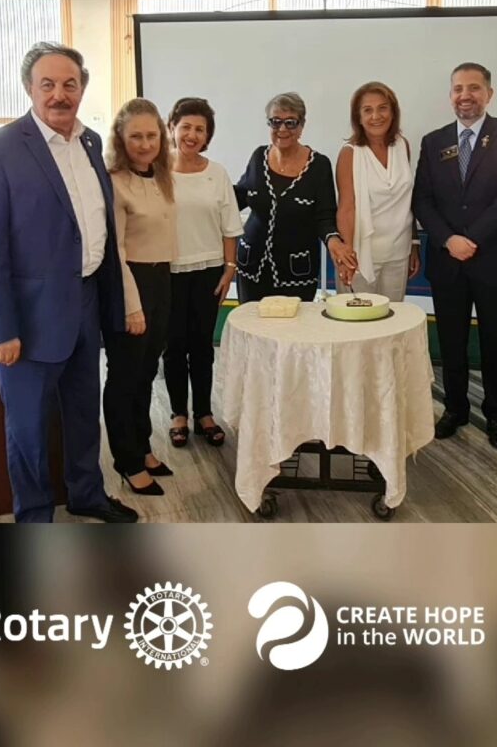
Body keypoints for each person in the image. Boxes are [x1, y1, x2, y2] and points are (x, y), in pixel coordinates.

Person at [0, 42, 137, 523]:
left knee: (83, 413)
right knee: (29, 431)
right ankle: (35, 518)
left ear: (82, 88)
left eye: (70, 84)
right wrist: (1, 329)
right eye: (48, 84)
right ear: (29, 88)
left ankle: (87, 494)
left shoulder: (91, 142)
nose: (60, 94)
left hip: (86, 302)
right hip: (28, 317)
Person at [412, 63, 497, 449]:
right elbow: (422, 199)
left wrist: (471, 238)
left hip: (493, 260)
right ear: (451, 95)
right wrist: (449, 239)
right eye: (459, 88)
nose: (466, 95)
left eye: (474, 88)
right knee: (451, 342)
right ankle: (455, 408)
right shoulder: (433, 141)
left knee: (496, 342)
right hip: (448, 262)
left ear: (489, 94)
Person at [102, 98, 177, 497]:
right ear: (121, 138)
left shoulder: (162, 176)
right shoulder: (114, 182)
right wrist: (131, 305)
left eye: (152, 136)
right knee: (124, 377)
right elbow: (115, 251)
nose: (145, 144)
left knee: (147, 373)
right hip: (130, 284)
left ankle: (143, 446)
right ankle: (127, 460)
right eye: (136, 137)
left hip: (161, 280)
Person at [164, 97, 244, 449]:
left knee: (202, 346)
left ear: (207, 135)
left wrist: (230, 269)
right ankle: (178, 414)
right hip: (168, 271)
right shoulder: (157, 171)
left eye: (200, 129)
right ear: (172, 128)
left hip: (210, 270)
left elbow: (230, 225)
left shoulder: (217, 173)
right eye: (186, 127)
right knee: (173, 346)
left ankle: (204, 414)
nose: (192, 135)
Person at [234, 91, 357, 303]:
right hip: (251, 267)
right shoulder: (258, 156)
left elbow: (325, 217)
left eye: (290, 122)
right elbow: (239, 197)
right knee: (250, 322)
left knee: (295, 323)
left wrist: (334, 241)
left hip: (296, 272)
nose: (282, 129)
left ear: (301, 126)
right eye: (275, 122)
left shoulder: (319, 165)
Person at [335, 81, 420, 300]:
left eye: (383, 108)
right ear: (358, 117)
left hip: (399, 252)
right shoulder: (349, 154)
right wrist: (347, 256)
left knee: (393, 316)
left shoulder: (402, 145)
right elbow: (346, 208)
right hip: (361, 255)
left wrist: (414, 243)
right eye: (367, 110)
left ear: (393, 112)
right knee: (358, 319)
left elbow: (406, 200)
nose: (376, 116)